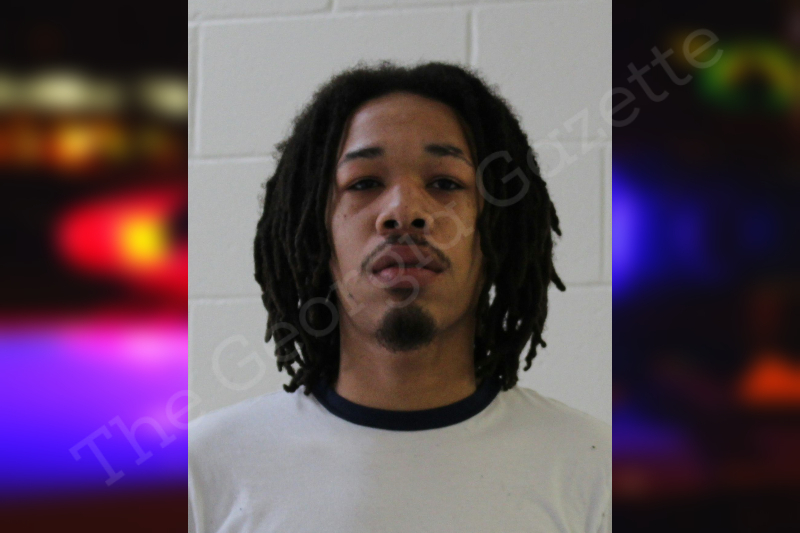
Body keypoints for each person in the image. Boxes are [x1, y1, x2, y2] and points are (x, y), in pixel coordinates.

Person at [189, 61, 611, 533]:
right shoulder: (202, 471)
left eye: (445, 183)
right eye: (364, 183)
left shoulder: (596, 471)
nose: (403, 211)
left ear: (499, 229)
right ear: (315, 233)